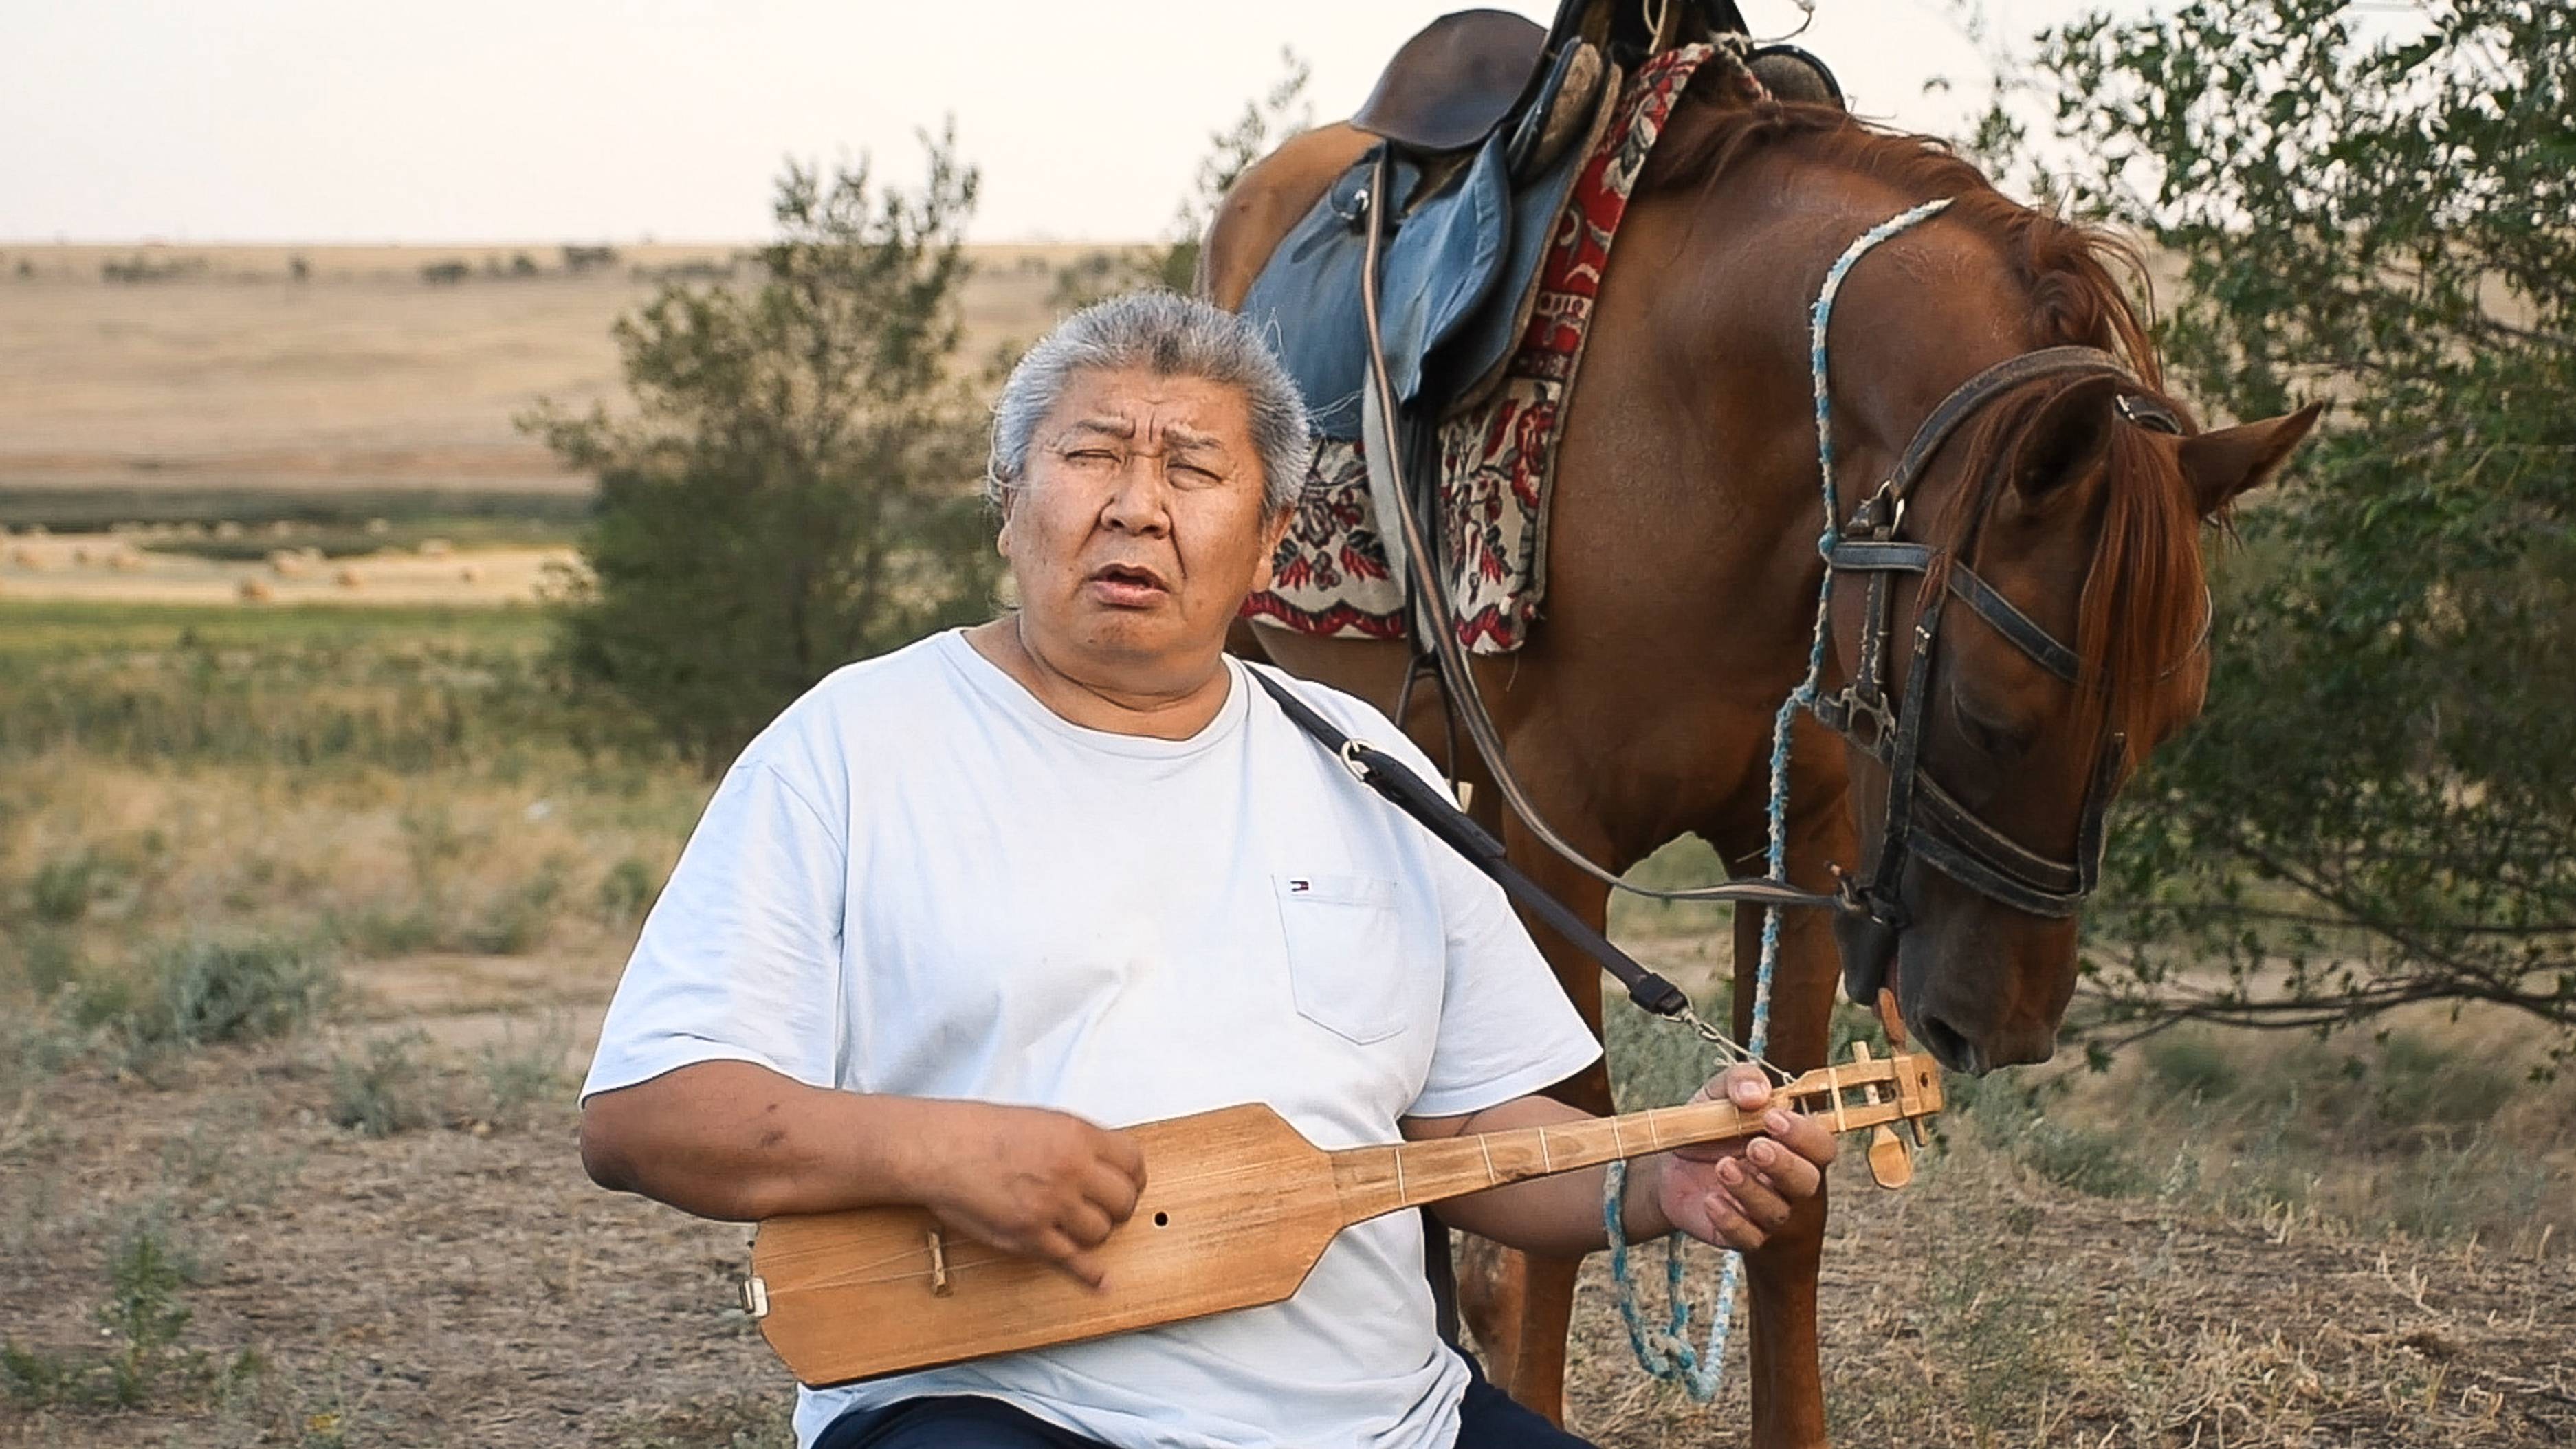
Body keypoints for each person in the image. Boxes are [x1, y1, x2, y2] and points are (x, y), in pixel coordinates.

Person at [576, 292, 1838, 1449]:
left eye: (1192, 467)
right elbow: (645, 1118)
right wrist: (936, 1153)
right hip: (983, 1406)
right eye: (1092, 456)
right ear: (1009, 499)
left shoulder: (1363, 768)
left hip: (1390, 1422)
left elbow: (1466, 1123)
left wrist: (1654, 1182)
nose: (1138, 505)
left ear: (1271, 537)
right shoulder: (852, 745)